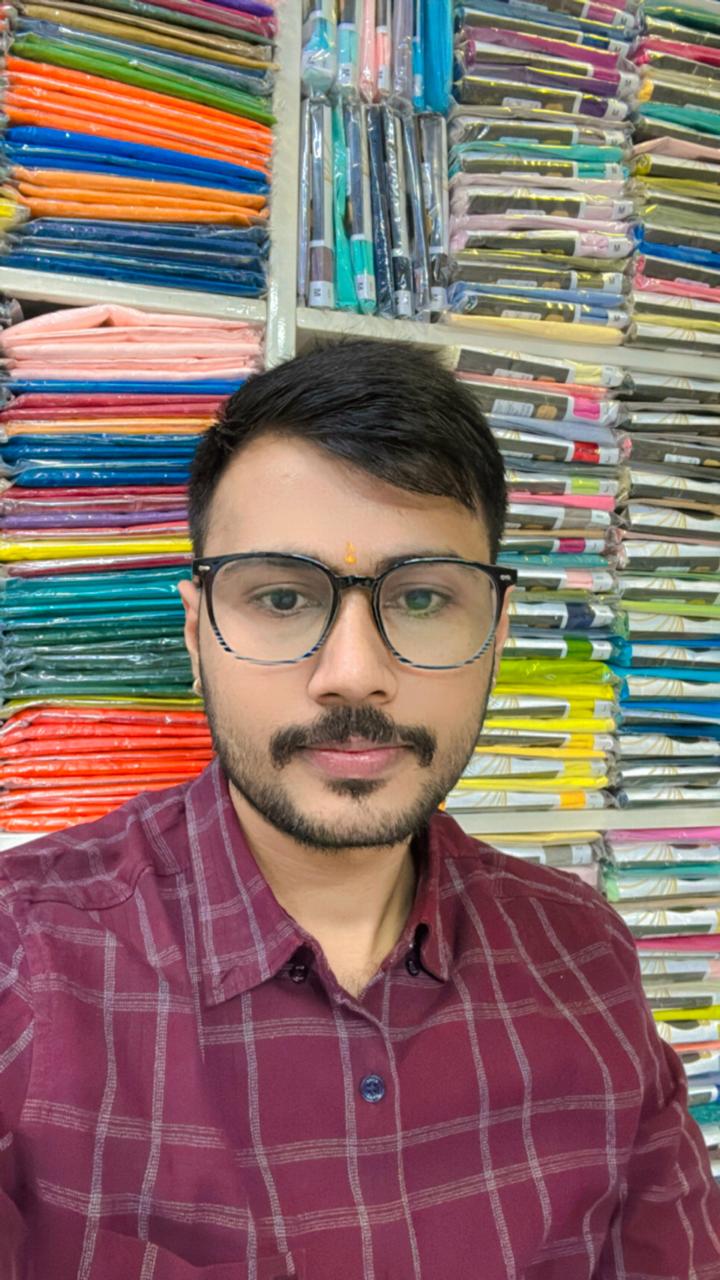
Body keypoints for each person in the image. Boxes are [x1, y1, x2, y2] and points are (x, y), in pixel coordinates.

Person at [0, 340, 718, 1280]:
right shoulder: (21, 963)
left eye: (420, 598)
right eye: (282, 597)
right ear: (196, 631)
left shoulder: (585, 955)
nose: (354, 674)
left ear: (496, 634)